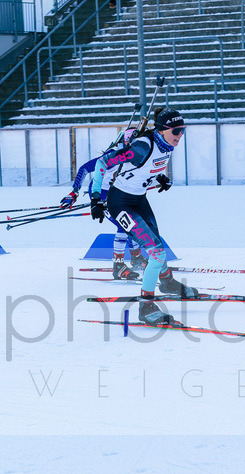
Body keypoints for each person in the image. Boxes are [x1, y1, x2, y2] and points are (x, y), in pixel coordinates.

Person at [94, 107, 194, 326]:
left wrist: (160, 179)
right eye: (176, 131)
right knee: (156, 253)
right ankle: (146, 307)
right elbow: (102, 163)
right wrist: (95, 198)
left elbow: (147, 168)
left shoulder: (166, 144)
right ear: (162, 130)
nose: (180, 135)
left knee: (157, 244)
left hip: (139, 200)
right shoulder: (142, 147)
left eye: (182, 130)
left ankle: (167, 282)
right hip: (120, 203)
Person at [60, 128, 148, 280]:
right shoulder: (113, 154)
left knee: (134, 223)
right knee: (124, 225)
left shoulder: (138, 155)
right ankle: (118, 266)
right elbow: (84, 168)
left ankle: (136, 258)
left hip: (118, 192)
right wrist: (74, 192)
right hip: (101, 194)